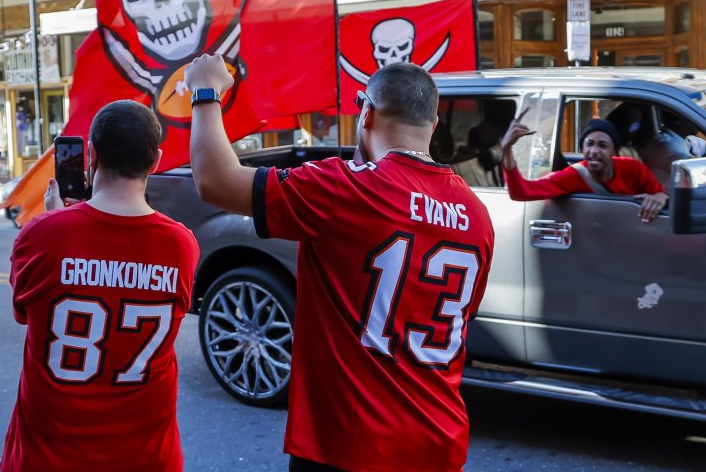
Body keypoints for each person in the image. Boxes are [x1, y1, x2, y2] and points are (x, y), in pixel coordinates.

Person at [184, 55, 495, 472]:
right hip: (439, 440)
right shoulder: (476, 213)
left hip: (350, 443)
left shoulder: (344, 187)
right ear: (433, 124)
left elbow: (214, 180)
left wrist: (205, 91)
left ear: (367, 113)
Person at [1, 100, 200, 472]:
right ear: (155, 161)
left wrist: (57, 222)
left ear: (91, 154)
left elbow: (24, 313)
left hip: (48, 456)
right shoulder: (181, 245)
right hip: (146, 459)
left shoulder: (43, 234)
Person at [501, 116, 668, 223]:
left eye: (602, 145)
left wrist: (661, 197)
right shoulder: (573, 176)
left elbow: (660, 194)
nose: (594, 151)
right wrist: (506, 149)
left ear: (614, 153)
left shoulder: (633, 168)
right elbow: (521, 192)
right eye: (589, 144)